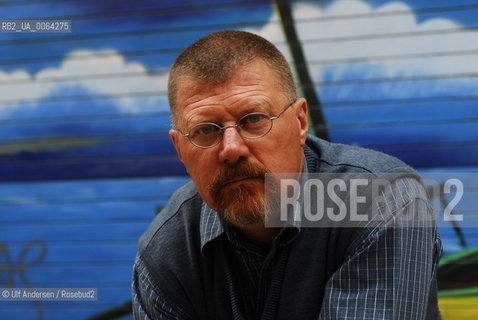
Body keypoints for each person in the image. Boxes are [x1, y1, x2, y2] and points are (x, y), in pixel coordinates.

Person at [132, 30, 442, 319]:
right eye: (205, 130)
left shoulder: (382, 201)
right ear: (179, 149)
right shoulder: (167, 251)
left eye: (253, 119)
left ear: (300, 122)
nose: (231, 148)